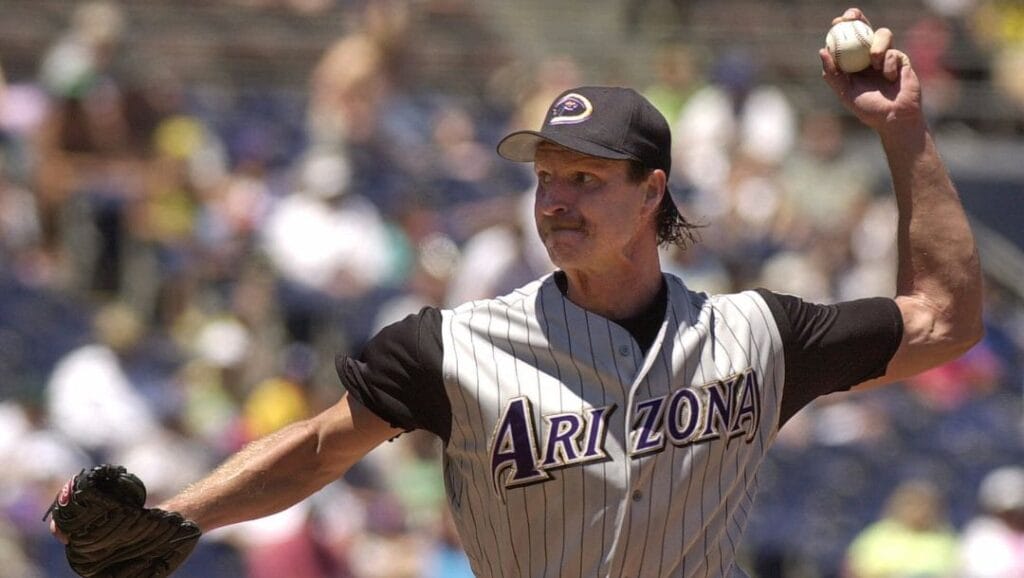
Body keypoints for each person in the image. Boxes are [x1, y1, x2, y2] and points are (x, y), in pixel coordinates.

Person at [51, 8, 983, 578]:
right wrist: (184, 513)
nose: (555, 198)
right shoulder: (452, 347)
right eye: (546, 174)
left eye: (586, 178)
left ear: (651, 191)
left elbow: (945, 320)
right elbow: (320, 446)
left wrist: (903, 132)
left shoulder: (759, 336)